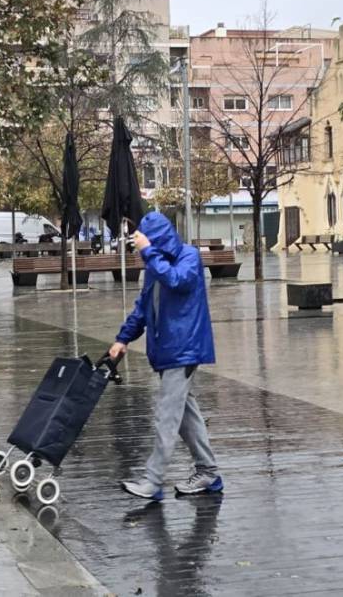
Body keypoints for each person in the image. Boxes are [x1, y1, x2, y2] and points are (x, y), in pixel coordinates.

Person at [108, 211, 222, 501]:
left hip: (183, 349)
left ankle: (153, 480)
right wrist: (123, 339)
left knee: (166, 417)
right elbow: (143, 307)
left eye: (144, 244)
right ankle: (208, 472)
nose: (140, 250)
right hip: (167, 350)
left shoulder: (188, 258)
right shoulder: (154, 267)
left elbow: (177, 281)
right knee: (185, 415)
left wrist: (148, 252)